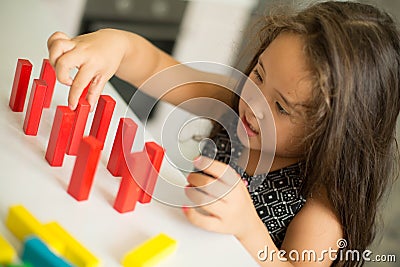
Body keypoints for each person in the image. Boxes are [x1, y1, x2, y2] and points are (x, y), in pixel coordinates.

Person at [47, 1, 400, 266]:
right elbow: (155, 67)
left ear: (335, 135)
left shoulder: (320, 210)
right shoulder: (236, 102)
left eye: (282, 107)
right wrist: (116, 45)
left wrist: (248, 228)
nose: (255, 101)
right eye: (259, 74)